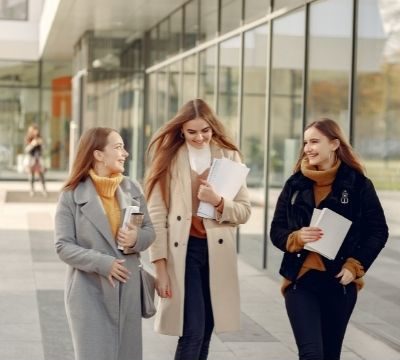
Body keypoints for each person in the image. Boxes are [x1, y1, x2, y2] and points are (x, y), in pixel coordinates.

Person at [270, 118, 389, 360]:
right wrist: (296, 237)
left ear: (334, 144)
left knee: (330, 354)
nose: (307, 148)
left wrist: (354, 266)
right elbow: (276, 230)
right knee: (311, 353)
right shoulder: (294, 185)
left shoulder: (358, 185)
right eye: (305, 142)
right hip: (300, 282)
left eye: (314, 141)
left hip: (339, 283)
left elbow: (378, 231)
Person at [144, 98, 251, 360]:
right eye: (192, 132)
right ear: (181, 129)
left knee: (206, 330)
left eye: (205, 130)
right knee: (192, 329)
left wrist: (218, 201)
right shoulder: (168, 159)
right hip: (183, 253)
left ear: (213, 128)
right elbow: (156, 215)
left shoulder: (229, 156)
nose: (200, 137)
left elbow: (244, 211)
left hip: (216, 253)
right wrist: (160, 268)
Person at [54, 127, 155, 360]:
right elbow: (63, 246)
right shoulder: (71, 195)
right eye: (118, 147)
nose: (125, 153)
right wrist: (103, 263)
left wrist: (135, 239)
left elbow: (150, 231)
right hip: (89, 293)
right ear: (98, 154)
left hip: (127, 291)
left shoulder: (133, 188)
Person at [24, 123, 47, 196]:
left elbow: (44, 149)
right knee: (31, 175)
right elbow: (26, 150)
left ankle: (44, 189)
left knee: (41, 175)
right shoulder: (28, 138)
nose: (35, 132)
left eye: (36, 130)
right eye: (34, 130)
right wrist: (32, 144)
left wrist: (41, 144)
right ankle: (32, 190)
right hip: (31, 159)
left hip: (38, 159)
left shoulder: (40, 138)